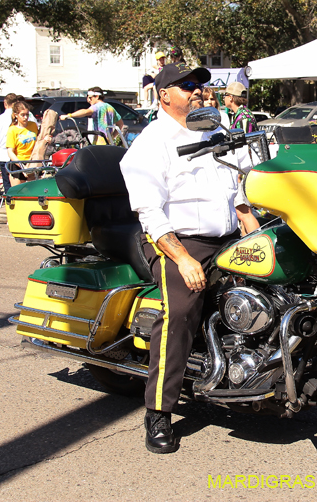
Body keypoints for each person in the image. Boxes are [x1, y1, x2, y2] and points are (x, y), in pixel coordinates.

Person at [119, 62, 254, 454]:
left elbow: (242, 181)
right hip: (178, 242)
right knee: (180, 310)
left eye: (200, 85)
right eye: (187, 85)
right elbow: (149, 211)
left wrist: (250, 220)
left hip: (227, 237)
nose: (197, 90)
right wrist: (182, 258)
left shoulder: (216, 130)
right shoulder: (151, 141)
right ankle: (158, 411)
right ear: (164, 95)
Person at [59, 87, 124, 144]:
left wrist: (69, 115)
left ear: (97, 96)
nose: (88, 100)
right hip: (108, 143)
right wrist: (112, 137)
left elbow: (85, 112)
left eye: (90, 97)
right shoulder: (110, 107)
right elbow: (120, 124)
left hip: (98, 143)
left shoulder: (97, 107)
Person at [5, 100, 40, 187]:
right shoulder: (12, 130)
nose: (25, 117)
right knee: (19, 193)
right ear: (16, 115)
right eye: (22, 115)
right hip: (18, 163)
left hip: (32, 162)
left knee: (33, 192)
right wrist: (22, 166)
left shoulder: (33, 125)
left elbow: (39, 142)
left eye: (27, 115)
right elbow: (10, 151)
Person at [0, 93, 19, 190]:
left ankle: (9, 203)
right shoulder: (26, 116)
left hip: (4, 154)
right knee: (21, 186)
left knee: (8, 185)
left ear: (5, 103)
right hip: (20, 155)